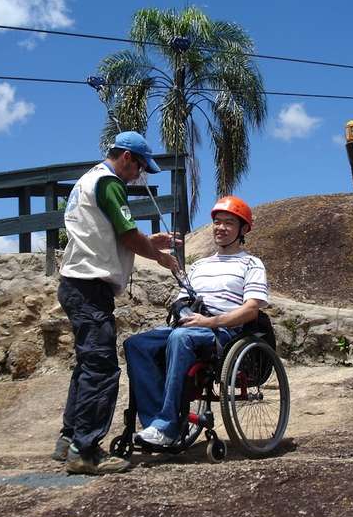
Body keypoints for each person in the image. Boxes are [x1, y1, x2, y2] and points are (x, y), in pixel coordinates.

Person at [52, 131, 180, 475]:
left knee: (87, 366)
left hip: (77, 284)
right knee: (102, 369)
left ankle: (69, 439)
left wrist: (150, 240)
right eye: (139, 166)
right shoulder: (110, 183)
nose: (139, 174)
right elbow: (126, 235)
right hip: (89, 288)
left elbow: (108, 236)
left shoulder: (88, 180)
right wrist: (160, 257)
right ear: (126, 157)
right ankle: (86, 450)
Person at [123, 196, 268, 447]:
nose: (220, 228)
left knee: (181, 338)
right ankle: (155, 423)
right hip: (190, 325)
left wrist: (209, 322)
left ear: (243, 229)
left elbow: (251, 310)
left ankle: (166, 426)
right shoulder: (200, 265)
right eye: (217, 222)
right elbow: (180, 301)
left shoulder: (251, 264)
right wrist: (184, 315)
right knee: (136, 344)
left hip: (223, 333)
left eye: (229, 223)